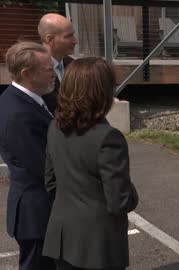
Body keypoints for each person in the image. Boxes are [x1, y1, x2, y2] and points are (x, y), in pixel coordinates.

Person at [42, 57, 139, 270]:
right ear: (102, 93)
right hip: (98, 246)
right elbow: (119, 202)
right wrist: (132, 193)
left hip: (62, 237)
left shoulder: (55, 127)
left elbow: (50, 182)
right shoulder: (108, 137)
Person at [0, 41, 56, 270]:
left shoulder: (23, 98)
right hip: (36, 215)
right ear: (27, 74)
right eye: (48, 69)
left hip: (38, 210)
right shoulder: (18, 115)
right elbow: (42, 166)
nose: (54, 73)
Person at [38, 13, 78, 112]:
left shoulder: (73, 65)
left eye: (73, 35)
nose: (75, 41)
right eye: (68, 36)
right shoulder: (34, 70)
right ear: (50, 39)